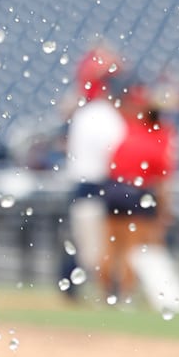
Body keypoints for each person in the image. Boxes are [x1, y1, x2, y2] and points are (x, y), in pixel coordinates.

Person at [100, 84, 176, 304]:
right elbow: (162, 179)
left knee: (112, 245)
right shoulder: (160, 137)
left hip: (114, 188)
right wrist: (164, 210)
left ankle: (107, 291)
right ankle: (124, 294)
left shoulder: (130, 129)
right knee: (133, 247)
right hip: (137, 192)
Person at [63, 48, 127, 298]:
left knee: (89, 244)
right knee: (92, 247)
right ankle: (91, 290)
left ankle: (80, 289)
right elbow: (114, 155)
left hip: (89, 184)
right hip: (96, 184)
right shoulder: (102, 114)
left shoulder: (90, 113)